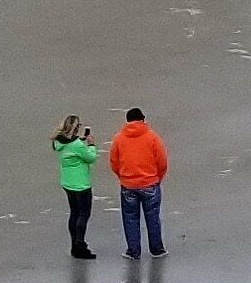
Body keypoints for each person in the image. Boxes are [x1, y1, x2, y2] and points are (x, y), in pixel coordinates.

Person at [109, 107, 168, 259]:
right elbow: (162, 161)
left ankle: (133, 251)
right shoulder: (152, 137)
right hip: (150, 183)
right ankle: (157, 249)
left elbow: (114, 162)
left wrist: (123, 177)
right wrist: (157, 178)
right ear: (143, 119)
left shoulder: (119, 138)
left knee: (130, 218)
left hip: (128, 185)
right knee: (153, 217)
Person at [52, 114, 99, 260]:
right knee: (84, 214)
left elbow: (72, 145)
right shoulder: (77, 145)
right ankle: (79, 245)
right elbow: (91, 157)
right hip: (81, 184)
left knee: (74, 213)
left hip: (68, 182)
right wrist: (91, 144)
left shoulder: (59, 142)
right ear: (75, 128)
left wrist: (80, 140)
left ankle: (74, 244)